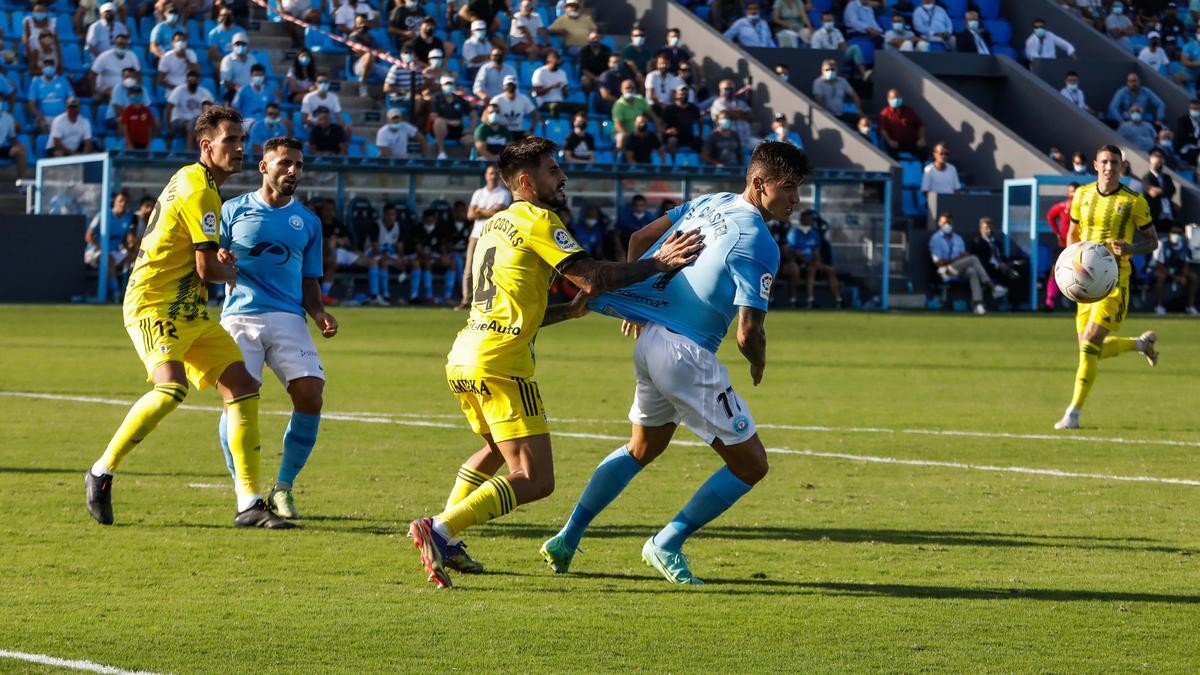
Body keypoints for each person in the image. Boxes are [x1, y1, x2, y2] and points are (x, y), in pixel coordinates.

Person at [405, 136, 704, 588]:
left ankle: (448, 540)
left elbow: (520, 306)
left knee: (493, 449)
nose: (562, 177)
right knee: (535, 479)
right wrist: (658, 263)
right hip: (502, 362)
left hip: (465, 354)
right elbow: (595, 276)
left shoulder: (494, 225)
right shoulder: (538, 219)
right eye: (552, 171)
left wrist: (568, 311)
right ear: (526, 181)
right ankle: (439, 529)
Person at [540, 141, 804, 585]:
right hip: (685, 354)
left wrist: (638, 304)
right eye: (790, 189)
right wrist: (758, 362)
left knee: (642, 448)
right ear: (760, 184)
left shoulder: (711, 201)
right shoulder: (758, 241)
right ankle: (666, 543)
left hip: (652, 345)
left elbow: (640, 240)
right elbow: (747, 333)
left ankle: (567, 537)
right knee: (751, 465)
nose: (796, 199)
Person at [85, 106, 289, 529]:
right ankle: (101, 472)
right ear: (206, 145)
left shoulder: (191, 179)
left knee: (242, 386)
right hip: (153, 303)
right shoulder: (202, 191)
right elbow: (208, 271)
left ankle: (249, 502)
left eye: (241, 141)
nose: (238, 149)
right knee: (171, 389)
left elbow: (198, 251)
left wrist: (216, 258)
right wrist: (238, 271)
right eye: (229, 140)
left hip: (189, 310)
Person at [216, 137, 337, 519]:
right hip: (239, 317)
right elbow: (206, 263)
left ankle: (283, 488)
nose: (293, 171)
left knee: (311, 395)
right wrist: (221, 259)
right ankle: (246, 491)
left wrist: (319, 314)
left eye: (298, 165)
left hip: (288, 318)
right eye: (285, 163)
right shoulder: (232, 210)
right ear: (264, 167)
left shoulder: (309, 222)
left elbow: (309, 280)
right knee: (237, 402)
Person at [1054, 145, 1160, 431]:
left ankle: (1073, 413)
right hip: (1083, 281)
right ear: (1095, 164)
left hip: (1114, 281)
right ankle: (1140, 344)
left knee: (1089, 343)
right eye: (1105, 162)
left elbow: (1153, 241)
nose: (1110, 167)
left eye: (1115, 162)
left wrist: (1131, 248)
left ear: (1121, 166)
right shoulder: (1082, 195)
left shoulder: (1134, 201)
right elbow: (1072, 233)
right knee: (1089, 351)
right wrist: (1068, 264)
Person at [929, 212, 1005, 316]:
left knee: (972, 271)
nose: (946, 225)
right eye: (944, 223)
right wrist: (958, 258)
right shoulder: (936, 239)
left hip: (958, 270)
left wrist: (963, 257)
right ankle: (992, 286)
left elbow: (962, 256)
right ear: (939, 224)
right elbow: (938, 262)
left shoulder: (958, 239)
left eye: (949, 222)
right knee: (973, 258)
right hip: (944, 271)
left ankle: (978, 304)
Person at [782, 208, 840, 308]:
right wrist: (808, 261)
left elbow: (816, 251)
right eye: (806, 219)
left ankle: (838, 300)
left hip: (812, 263)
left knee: (830, 270)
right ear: (801, 220)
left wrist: (817, 260)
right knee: (809, 270)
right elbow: (794, 252)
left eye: (810, 219)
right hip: (798, 263)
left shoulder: (814, 234)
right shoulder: (794, 233)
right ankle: (806, 299)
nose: (808, 221)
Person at [84, 191, 135, 300]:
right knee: (109, 260)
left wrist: (130, 253)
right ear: (114, 202)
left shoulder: (128, 218)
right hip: (94, 252)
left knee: (135, 259)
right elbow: (88, 235)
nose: (123, 204)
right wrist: (99, 247)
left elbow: (123, 240)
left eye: (126, 201)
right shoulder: (103, 215)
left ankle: (130, 292)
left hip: (113, 253)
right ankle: (116, 293)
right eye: (121, 201)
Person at [970, 216, 1028, 299]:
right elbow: (980, 260)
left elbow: (1001, 257)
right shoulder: (977, 242)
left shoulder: (996, 242)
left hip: (1001, 266)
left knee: (1021, 268)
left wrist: (1011, 263)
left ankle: (1016, 304)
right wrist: (997, 266)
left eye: (990, 227)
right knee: (1008, 275)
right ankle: (995, 292)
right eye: (986, 228)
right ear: (981, 229)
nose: (989, 230)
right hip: (988, 269)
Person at [1045, 182, 1078, 310]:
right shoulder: (1063, 206)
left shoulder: (1084, 207)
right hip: (1064, 245)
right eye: (1071, 191)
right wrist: (1057, 233)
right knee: (1055, 271)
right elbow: (1050, 216)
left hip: (1079, 246)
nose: (1072, 194)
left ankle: (1083, 301)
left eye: (1075, 191)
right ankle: (1050, 302)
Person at [1154, 225, 1198, 315]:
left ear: (1182, 234)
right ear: (1169, 233)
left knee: (1194, 277)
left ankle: (1190, 306)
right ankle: (1159, 306)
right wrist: (1176, 278)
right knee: (1160, 276)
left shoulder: (1185, 245)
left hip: (1178, 272)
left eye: (1178, 233)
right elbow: (1160, 266)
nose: (1176, 235)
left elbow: (1186, 264)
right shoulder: (1162, 244)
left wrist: (1183, 276)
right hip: (1164, 271)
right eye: (1174, 232)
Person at [166, 72, 216, 150]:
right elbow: (169, 107)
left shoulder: (204, 92)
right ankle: (189, 151)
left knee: (198, 122)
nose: (192, 83)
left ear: (198, 81)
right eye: (190, 81)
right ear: (187, 81)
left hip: (197, 121)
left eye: (194, 81)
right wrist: (168, 125)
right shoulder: (179, 90)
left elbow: (210, 106)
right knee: (192, 123)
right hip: (178, 120)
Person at [810, 11, 868, 79]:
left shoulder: (837, 31)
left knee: (855, 48)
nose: (829, 23)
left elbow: (844, 45)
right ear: (822, 22)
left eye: (831, 20)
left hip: (837, 55)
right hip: (825, 58)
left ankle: (864, 75)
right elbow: (816, 53)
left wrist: (841, 50)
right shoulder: (817, 35)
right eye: (827, 21)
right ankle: (837, 74)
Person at [430, 76, 475, 159]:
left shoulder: (459, 98)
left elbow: (473, 114)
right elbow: (433, 116)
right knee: (439, 122)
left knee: (473, 141)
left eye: (450, 84)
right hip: (443, 130)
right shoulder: (436, 98)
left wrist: (470, 129)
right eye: (446, 84)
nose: (448, 86)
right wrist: (450, 122)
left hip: (458, 130)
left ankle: (475, 158)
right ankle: (441, 151)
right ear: (441, 86)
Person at [89, 33, 140, 102]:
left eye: (124, 44)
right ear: (115, 44)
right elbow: (92, 75)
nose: (122, 46)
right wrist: (94, 93)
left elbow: (138, 75)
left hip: (126, 87)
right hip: (106, 88)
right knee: (116, 93)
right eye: (120, 44)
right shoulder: (104, 56)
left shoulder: (132, 56)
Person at [879, 88, 927, 160]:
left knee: (924, 151)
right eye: (893, 98)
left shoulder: (909, 110)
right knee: (891, 155)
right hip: (895, 144)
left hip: (912, 143)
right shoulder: (885, 113)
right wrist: (890, 141)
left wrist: (921, 139)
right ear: (888, 99)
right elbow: (883, 130)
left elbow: (920, 126)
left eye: (898, 97)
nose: (896, 99)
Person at [812, 59, 861, 124]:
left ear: (836, 70)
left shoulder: (842, 81)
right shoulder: (818, 82)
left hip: (840, 115)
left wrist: (858, 109)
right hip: (826, 117)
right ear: (822, 71)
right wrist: (825, 114)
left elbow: (854, 95)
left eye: (833, 70)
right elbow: (818, 99)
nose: (830, 72)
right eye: (828, 70)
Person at [491, 75, 539, 140]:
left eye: (512, 85)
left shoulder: (523, 99)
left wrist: (531, 130)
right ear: (503, 86)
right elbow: (486, 115)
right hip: (502, 132)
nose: (510, 87)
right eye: (508, 85)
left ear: (516, 86)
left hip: (518, 132)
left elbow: (535, 114)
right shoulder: (497, 100)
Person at [1143, 150, 1178, 231]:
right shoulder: (1147, 178)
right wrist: (1166, 190)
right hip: (1155, 215)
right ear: (1150, 163)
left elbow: (1172, 190)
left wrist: (1160, 190)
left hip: (1169, 215)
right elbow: (1152, 193)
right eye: (1156, 163)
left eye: (1161, 163)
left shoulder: (1167, 177)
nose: (1159, 165)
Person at [661, 86, 701, 156]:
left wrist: (699, 134)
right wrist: (667, 131)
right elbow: (661, 125)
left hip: (688, 135)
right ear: (676, 95)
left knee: (700, 143)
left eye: (686, 94)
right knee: (672, 141)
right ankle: (672, 164)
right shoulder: (669, 109)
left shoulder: (694, 108)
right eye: (681, 94)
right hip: (674, 135)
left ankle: (698, 165)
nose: (684, 96)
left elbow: (700, 122)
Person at [531, 49, 572, 116]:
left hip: (560, 103)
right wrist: (552, 87)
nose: (558, 61)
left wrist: (565, 91)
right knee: (555, 107)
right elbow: (537, 93)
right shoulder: (540, 72)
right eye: (556, 58)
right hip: (544, 103)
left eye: (559, 59)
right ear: (549, 60)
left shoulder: (562, 73)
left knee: (582, 108)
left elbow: (565, 95)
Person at [0, 104, 29, 178]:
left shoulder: (8, 118)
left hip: (1, 148)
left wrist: (17, 144)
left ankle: (20, 181)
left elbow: (11, 137)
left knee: (21, 149)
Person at [1175, 98, 1200, 166]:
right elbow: (1182, 138)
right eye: (1193, 108)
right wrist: (1195, 140)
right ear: (1190, 109)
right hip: (1185, 149)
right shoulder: (1182, 121)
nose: (1195, 110)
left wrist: (1191, 136)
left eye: (1197, 109)